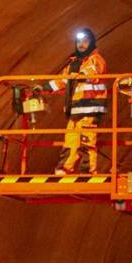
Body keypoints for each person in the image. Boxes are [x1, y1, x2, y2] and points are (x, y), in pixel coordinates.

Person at [50, 27, 108, 175]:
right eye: (79, 41)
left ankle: (87, 170)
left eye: (85, 41)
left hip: (90, 107)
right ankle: (65, 168)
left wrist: (79, 74)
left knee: (86, 140)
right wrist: (43, 87)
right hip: (75, 109)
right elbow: (61, 80)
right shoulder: (73, 64)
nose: (81, 44)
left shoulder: (96, 59)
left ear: (91, 43)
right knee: (70, 139)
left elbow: (93, 73)